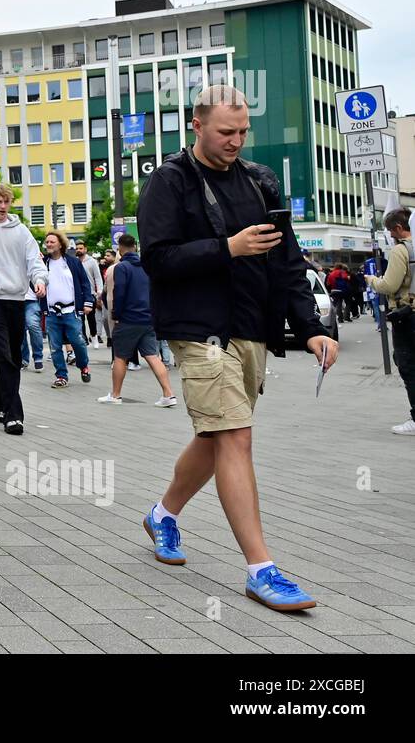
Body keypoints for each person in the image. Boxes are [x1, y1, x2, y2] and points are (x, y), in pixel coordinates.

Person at [138, 84, 334, 612]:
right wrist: (226, 247)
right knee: (236, 436)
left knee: (217, 435)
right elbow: (157, 259)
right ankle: (260, 568)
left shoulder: (260, 180)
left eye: (243, 131)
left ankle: (163, 513)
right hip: (197, 328)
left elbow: (288, 260)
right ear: (196, 124)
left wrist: (312, 326)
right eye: (227, 131)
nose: (237, 140)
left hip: (251, 329)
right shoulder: (168, 180)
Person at [0, 185, 48, 434]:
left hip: (16, 300)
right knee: (4, 357)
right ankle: (13, 415)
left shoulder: (21, 232)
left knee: (14, 358)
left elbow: (34, 261)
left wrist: (39, 280)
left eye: (7, 201)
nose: (3, 206)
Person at [95, 233, 177, 407]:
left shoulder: (122, 268)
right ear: (136, 247)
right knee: (153, 356)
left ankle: (115, 395)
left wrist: (116, 315)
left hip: (128, 319)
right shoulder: (148, 266)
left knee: (120, 357)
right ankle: (169, 394)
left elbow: (120, 292)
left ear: (120, 248)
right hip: (148, 319)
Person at [365, 209, 415, 435]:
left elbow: (389, 285)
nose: (389, 235)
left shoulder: (401, 250)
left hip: (406, 316)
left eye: (389, 230)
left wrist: (372, 280)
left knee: (408, 367)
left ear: (397, 228)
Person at [41, 231, 93, 389]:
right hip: (51, 312)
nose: (48, 244)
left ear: (60, 244)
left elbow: (84, 283)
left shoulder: (72, 262)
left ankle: (83, 366)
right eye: (47, 242)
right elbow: (34, 282)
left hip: (71, 311)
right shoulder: (43, 263)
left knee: (78, 341)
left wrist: (88, 302)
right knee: (55, 346)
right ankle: (61, 376)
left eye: (52, 242)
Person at [75, 240, 104, 348]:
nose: (78, 250)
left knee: (91, 318)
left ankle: (94, 336)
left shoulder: (91, 261)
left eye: (81, 248)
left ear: (85, 249)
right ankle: (84, 339)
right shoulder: (74, 261)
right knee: (80, 318)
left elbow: (97, 277)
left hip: (90, 293)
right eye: (77, 248)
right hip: (78, 294)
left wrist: (99, 291)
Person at [18, 283, 44, 371]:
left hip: (32, 300)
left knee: (33, 325)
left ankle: (38, 357)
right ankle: (23, 359)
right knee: (20, 329)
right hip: (16, 299)